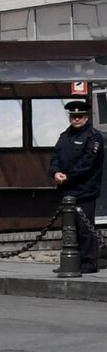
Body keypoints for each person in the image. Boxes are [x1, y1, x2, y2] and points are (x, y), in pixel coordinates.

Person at [49, 99, 103, 274]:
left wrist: (68, 176)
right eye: (73, 116)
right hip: (66, 190)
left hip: (84, 190)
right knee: (69, 229)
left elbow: (88, 163)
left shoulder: (93, 137)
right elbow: (55, 156)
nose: (76, 119)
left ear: (86, 117)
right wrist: (55, 172)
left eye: (79, 116)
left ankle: (88, 263)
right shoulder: (65, 136)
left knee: (85, 229)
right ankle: (70, 261)